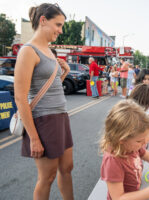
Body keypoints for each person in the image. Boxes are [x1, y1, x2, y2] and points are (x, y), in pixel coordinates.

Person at [14, 3, 74, 199]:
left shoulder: (48, 50)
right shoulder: (28, 51)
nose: (60, 30)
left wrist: (64, 72)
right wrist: (34, 138)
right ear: (43, 20)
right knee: (47, 177)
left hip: (61, 116)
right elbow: (20, 98)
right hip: (44, 120)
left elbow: (49, 87)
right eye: (58, 24)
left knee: (67, 168)